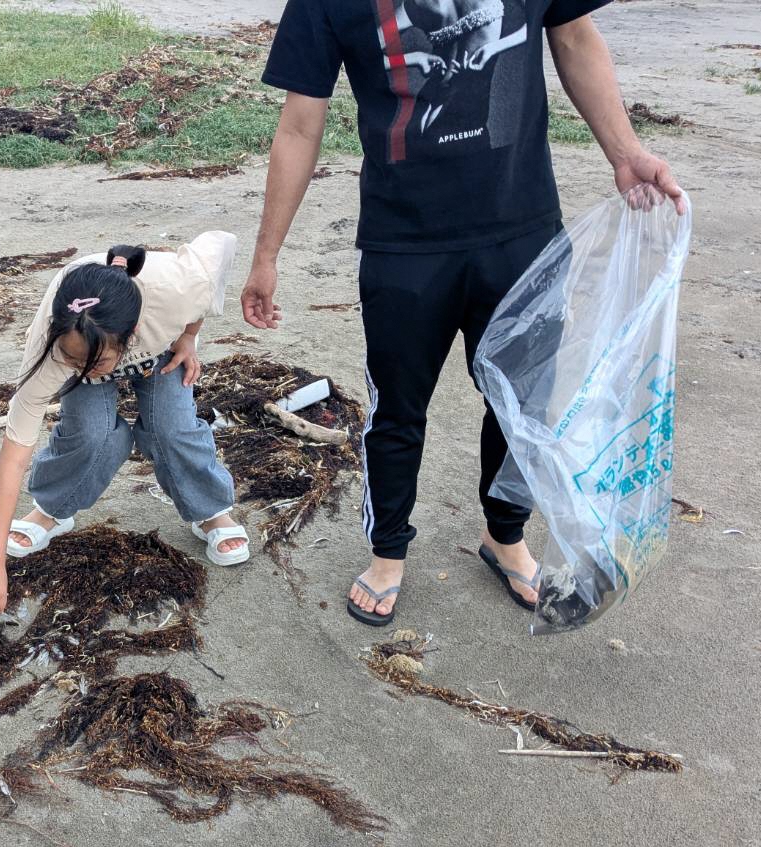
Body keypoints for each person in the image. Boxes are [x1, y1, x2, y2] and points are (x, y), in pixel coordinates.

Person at [242, 0, 684, 626]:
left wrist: (624, 151)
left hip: (521, 229)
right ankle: (387, 553)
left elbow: (574, 37)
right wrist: (266, 254)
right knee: (397, 410)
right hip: (403, 244)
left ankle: (505, 536)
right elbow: (298, 124)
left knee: (522, 403)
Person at [0, 233, 248, 616]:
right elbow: (13, 458)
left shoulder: (178, 288)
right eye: (74, 361)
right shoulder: (53, 352)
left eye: (94, 364)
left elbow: (219, 248)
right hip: (87, 338)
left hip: (157, 339)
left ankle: (210, 509)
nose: (83, 370)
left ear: (130, 338)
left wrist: (188, 335)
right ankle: (53, 508)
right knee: (90, 433)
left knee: (172, 428)